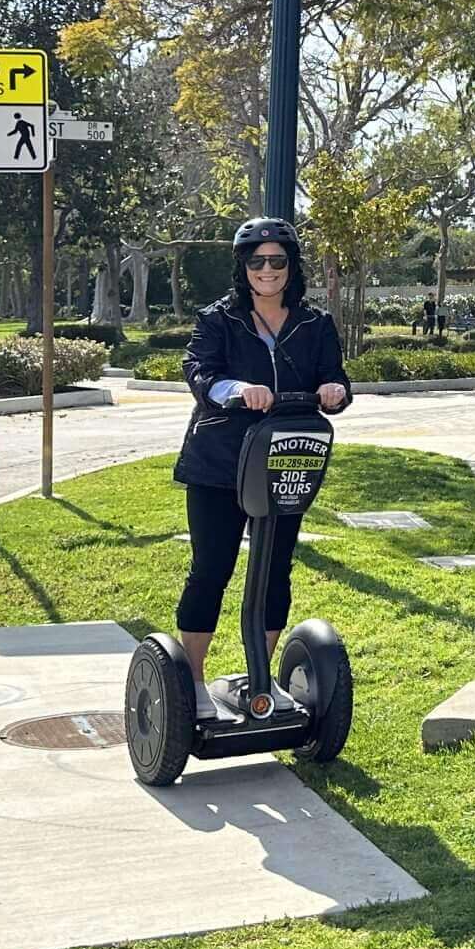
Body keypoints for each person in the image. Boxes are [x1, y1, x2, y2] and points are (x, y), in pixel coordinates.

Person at [171, 217, 351, 720]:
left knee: (275, 572)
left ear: (291, 266)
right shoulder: (218, 320)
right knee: (212, 570)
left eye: (277, 260)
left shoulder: (315, 324)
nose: (267, 270)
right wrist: (234, 390)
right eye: (256, 261)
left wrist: (336, 391)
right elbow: (199, 372)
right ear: (242, 267)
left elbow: (334, 378)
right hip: (219, 465)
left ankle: (261, 676)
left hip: (285, 462)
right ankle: (196, 682)